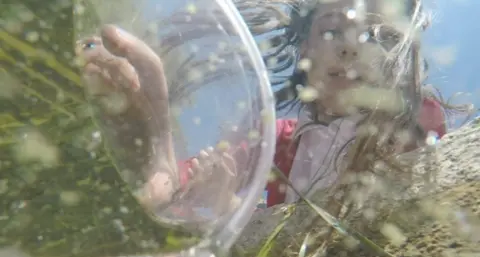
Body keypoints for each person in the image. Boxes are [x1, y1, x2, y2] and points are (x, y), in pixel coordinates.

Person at [76, 0, 463, 214]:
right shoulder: (274, 141)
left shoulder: (414, 119)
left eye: (373, 35)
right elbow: (172, 184)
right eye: (332, 29)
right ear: (305, 50)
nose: (350, 46)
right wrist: (153, 123)